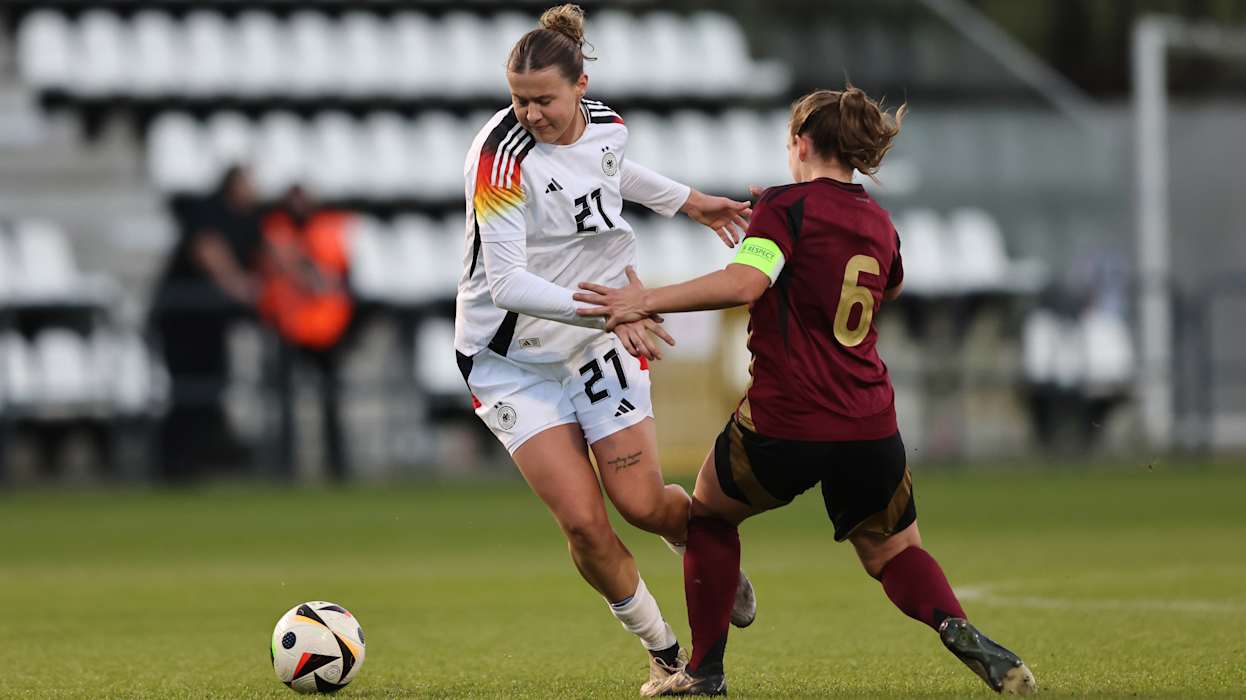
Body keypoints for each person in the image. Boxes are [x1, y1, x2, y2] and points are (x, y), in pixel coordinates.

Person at [574, 86, 1038, 696]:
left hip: (786, 417)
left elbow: (745, 283)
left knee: (709, 517)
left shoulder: (785, 207)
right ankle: (958, 627)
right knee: (894, 553)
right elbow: (888, 284)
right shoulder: (876, 218)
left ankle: (703, 672)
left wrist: (645, 298)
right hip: (870, 421)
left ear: (799, 144)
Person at [454, 5, 756, 695]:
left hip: (597, 340)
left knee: (644, 505)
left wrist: (693, 203)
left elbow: (614, 172)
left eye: (544, 101)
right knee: (587, 527)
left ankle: (705, 552)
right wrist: (614, 311)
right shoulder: (498, 161)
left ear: (580, 85)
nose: (529, 114)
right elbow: (506, 283)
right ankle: (664, 654)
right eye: (517, 100)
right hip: (511, 364)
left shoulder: (606, 122)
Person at [149, 165, 263, 482]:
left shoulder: (249, 220)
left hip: (211, 323)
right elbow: (209, 251)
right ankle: (172, 465)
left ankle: (193, 461)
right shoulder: (208, 211)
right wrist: (240, 286)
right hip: (182, 320)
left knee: (211, 387)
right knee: (186, 389)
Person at [259, 185, 356, 482]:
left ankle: (336, 467)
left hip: (326, 326)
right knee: (285, 403)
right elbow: (299, 270)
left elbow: (332, 273)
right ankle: (286, 466)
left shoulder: (324, 228)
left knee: (330, 401)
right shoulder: (278, 229)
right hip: (291, 325)